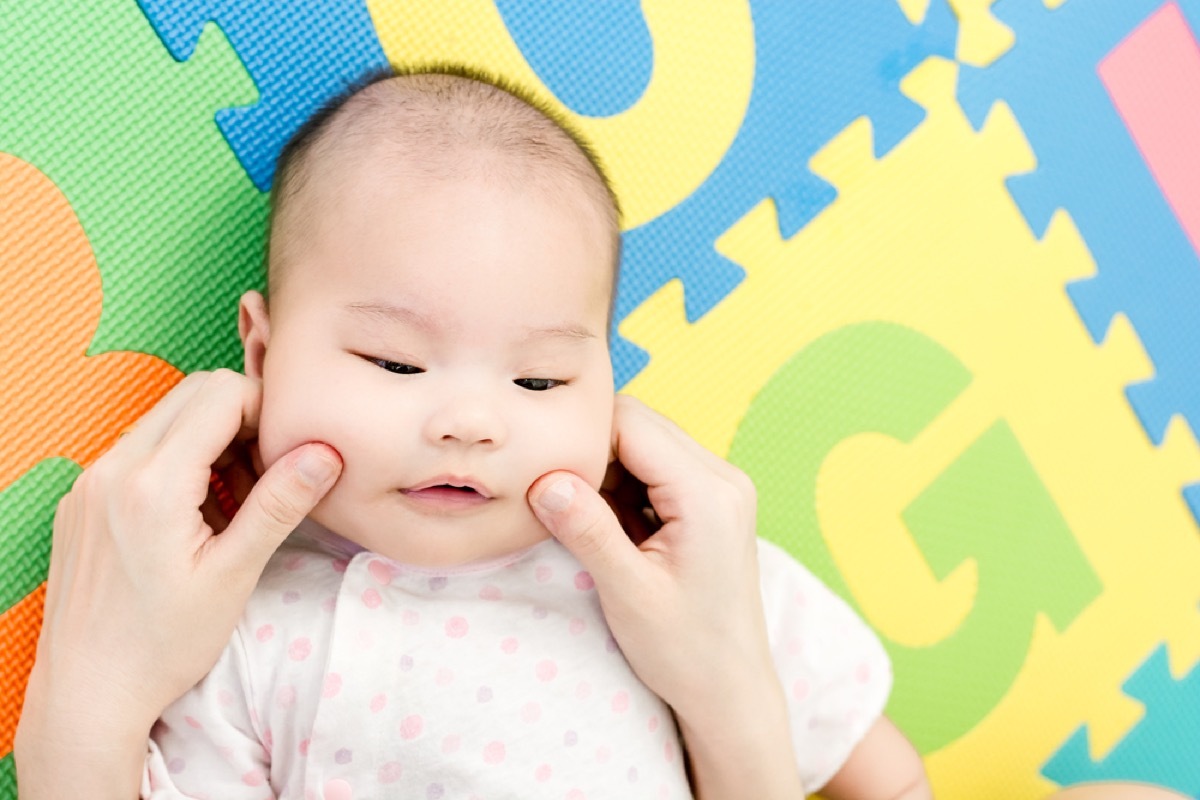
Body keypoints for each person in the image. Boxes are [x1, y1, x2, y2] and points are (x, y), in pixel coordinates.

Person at [16, 65, 1183, 800]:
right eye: (390, 362)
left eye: (539, 377)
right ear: (262, 359)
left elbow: (883, 767)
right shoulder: (241, 639)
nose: (468, 419)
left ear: (607, 380)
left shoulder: (663, 574)